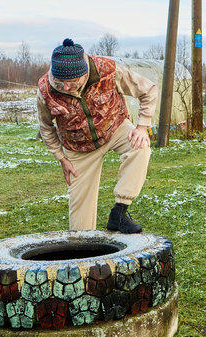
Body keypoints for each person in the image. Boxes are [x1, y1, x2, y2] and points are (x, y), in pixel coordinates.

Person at [37, 38, 158, 233]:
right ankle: (84, 254)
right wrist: (61, 158)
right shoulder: (45, 89)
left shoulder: (109, 71)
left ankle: (119, 212)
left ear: (84, 73)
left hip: (114, 128)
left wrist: (142, 127)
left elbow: (148, 90)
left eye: (72, 82)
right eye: (61, 83)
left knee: (140, 146)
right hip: (78, 147)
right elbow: (45, 126)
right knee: (80, 227)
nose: (66, 88)